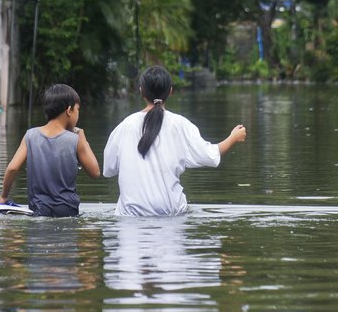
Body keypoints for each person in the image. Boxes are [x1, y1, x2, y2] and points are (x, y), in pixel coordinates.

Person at [102, 66, 247, 216]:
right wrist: (233, 137)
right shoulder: (180, 124)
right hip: (171, 215)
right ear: (170, 91)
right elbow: (210, 155)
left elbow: (108, 169)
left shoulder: (125, 126)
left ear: (141, 91)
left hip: (130, 218)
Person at [0, 83, 101, 217]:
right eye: (78, 109)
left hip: (38, 210)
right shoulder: (75, 140)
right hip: (68, 211)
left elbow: (12, 168)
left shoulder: (30, 136)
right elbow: (95, 172)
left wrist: (3, 198)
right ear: (69, 110)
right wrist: (83, 138)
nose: (78, 113)